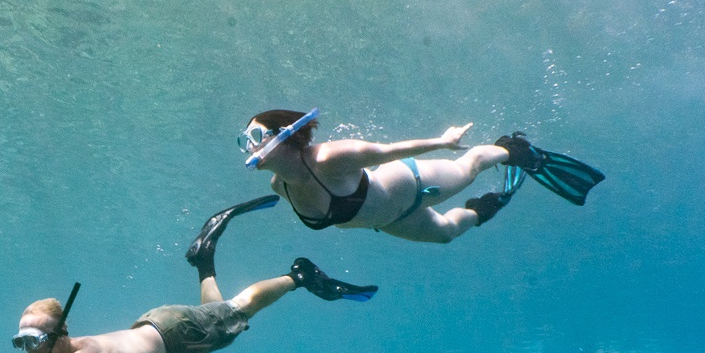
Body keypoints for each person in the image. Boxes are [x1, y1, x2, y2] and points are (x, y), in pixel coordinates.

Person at [0, 201, 373, 353]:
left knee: (239, 310)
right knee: (218, 315)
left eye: (35, 339)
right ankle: (204, 260)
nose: (29, 350)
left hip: (174, 333)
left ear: (61, 333)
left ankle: (297, 276)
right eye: (21, 342)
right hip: (163, 332)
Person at [228, 107, 604, 244]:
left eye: (257, 137)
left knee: (466, 169)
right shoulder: (280, 185)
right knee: (446, 235)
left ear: (286, 135)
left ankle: (513, 151)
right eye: (245, 141)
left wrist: (443, 141)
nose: (250, 147)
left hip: (408, 184)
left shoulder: (328, 158)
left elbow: (387, 151)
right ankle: (489, 207)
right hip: (390, 221)